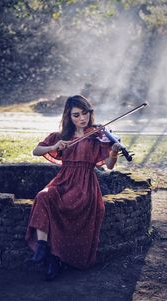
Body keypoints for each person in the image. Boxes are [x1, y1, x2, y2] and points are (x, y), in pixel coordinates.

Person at [26, 95, 121, 281]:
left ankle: (54, 258)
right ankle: (43, 248)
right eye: (76, 115)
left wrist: (115, 151)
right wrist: (54, 146)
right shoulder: (61, 136)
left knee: (70, 206)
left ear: (90, 114)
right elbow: (36, 151)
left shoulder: (97, 137)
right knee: (44, 196)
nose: (81, 119)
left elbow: (109, 165)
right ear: (69, 116)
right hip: (63, 180)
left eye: (85, 114)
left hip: (85, 184)